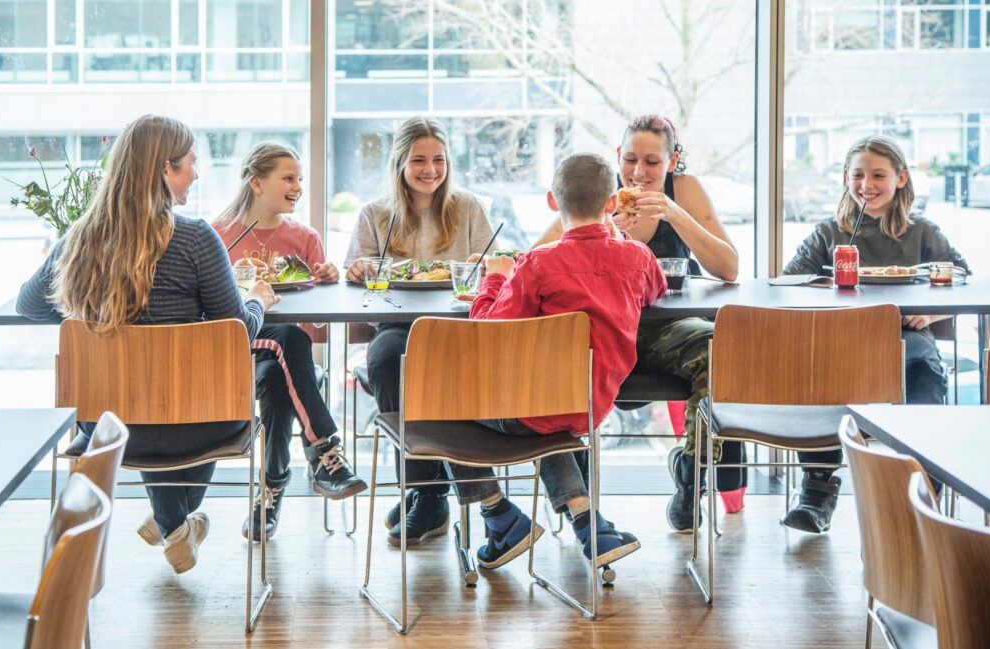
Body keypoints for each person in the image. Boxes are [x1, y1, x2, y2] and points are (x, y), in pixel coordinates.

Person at [16, 114, 279, 573]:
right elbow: (235, 332)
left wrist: (99, 316)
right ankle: (175, 523)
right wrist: (257, 299)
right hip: (201, 422)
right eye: (189, 164)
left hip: (108, 428)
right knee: (189, 397)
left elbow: (29, 307)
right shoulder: (196, 238)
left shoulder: (78, 240)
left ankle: (171, 523)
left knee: (146, 397)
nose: (197, 173)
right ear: (163, 169)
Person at [443, 152, 665, 569]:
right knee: (543, 400)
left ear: (551, 202)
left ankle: (497, 514)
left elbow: (486, 332)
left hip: (534, 409)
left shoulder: (538, 265)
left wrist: (495, 276)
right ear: (613, 203)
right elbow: (654, 291)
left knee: (437, 394)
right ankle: (589, 525)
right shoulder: (638, 258)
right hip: (591, 405)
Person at [533, 114, 741, 534]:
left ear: (672, 161)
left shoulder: (685, 191)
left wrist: (676, 215)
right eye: (630, 160)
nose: (639, 173)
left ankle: (691, 475)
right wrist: (602, 231)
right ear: (617, 157)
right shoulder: (597, 191)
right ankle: (581, 506)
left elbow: (729, 268)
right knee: (550, 361)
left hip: (663, 329)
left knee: (719, 349)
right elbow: (537, 258)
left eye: (652, 162)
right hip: (597, 332)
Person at [782, 134, 969, 533]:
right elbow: (788, 280)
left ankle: (925, 495)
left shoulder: (923, 232)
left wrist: (931, 315)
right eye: (858, 175)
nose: (867, 184)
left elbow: (960, 275)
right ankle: (817, 491)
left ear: (901, 178)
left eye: (878, 175)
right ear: (845, 178)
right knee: (817, 378)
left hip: (908, 342)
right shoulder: (829, 232)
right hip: (842, 343)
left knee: (924, 377)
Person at [343, 117, 493, 547]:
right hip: (399, 323)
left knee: (439, 371)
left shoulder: (467, 207)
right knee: (386, 361)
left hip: (459, 326)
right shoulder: (375, 213)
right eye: (419, 160)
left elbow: (489, 266)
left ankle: (424, 494)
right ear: (400, 163)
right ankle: (424, 491)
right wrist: (360, 269)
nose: (430, 169)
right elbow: (356, 274)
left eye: (439, 160)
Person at [213, 142, 366, 542]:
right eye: (288, 178)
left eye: (300, 178)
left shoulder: (305, 237)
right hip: (238, 349)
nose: (298, 186)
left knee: (282, 383)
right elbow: (211, 313)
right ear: (256, 183)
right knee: (289, 343)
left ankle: (270, 493)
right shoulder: (219, 235)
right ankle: (324, 453)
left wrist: (329, 283)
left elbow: (317, 326)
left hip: (287, 356)